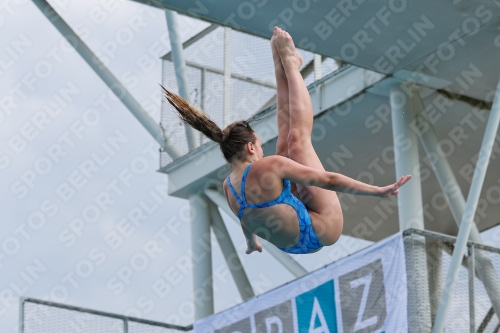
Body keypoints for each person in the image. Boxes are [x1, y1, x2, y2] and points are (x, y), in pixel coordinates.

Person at [163, 27, 411, 255]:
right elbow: (328, 180)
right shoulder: (265, 166)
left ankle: (279, 66)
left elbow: (246, 218)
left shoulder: (229, 187)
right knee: (296, 142)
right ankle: (291, 66)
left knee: (283, 147)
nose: (262, 151)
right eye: (259, 146)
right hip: (324, 228)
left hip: (295, 245)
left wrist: (251, 243)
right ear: (250, 147)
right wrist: (377, 191)